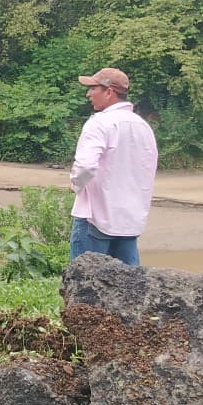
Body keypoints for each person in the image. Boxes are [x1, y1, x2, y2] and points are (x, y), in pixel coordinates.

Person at [69, 68, 158, 266]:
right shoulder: (143, 126)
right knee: (130, 283)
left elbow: (85, 167)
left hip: (95, 218)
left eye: (93, 88)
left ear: (109, 92)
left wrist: (75, 185)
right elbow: (148, 169)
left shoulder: (99, 123)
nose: (88, 94)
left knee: (86, 280)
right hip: (129, 221)